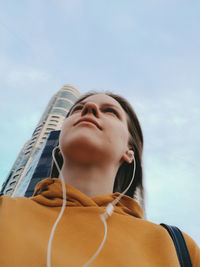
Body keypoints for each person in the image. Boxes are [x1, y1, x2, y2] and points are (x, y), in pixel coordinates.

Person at [0, 92, 199, 267]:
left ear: (129, 153)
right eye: (77, 109)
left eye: (110, 111)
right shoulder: (4, 210)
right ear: (58, 148)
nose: (89, 108)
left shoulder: (176, 246)